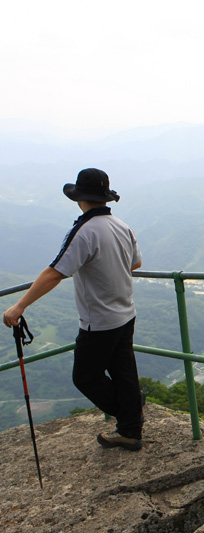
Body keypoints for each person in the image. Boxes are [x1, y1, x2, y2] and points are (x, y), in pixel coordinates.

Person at [3, 168, 145, 451]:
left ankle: (130, 413)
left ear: (80, 199)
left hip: (99, 321)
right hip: (126, 313)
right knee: (124, 372)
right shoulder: (122, 226)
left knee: (85, 377)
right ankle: (130, 425)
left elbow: (56, 272)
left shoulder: (84, 231)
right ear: (105, 199)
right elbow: (135, 263)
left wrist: (19, 305)